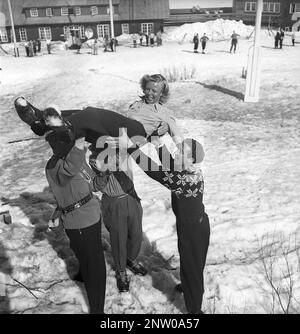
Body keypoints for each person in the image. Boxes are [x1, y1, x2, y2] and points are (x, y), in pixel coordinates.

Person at [45, 131, 106, 314]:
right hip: (78, 221)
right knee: (95, 266)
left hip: (92, 214)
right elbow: (69, 171)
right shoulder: (54, 166)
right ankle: (98, 310)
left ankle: (82, 273)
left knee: (88, 253)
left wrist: (104, 173)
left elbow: (92, 183)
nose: (69, 144)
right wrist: (79, 146)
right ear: (55, 145)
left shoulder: (77, 160)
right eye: (66, 142)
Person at [90, 144, 147, 293]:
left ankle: (130, 259)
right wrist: (104, 173)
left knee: (136, 235)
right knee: (119, 238)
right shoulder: (94, 158)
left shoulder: (121, 150)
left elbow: (136, 140)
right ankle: (121, 271)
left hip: (131, 196)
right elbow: (94, 186)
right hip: (114, 202)